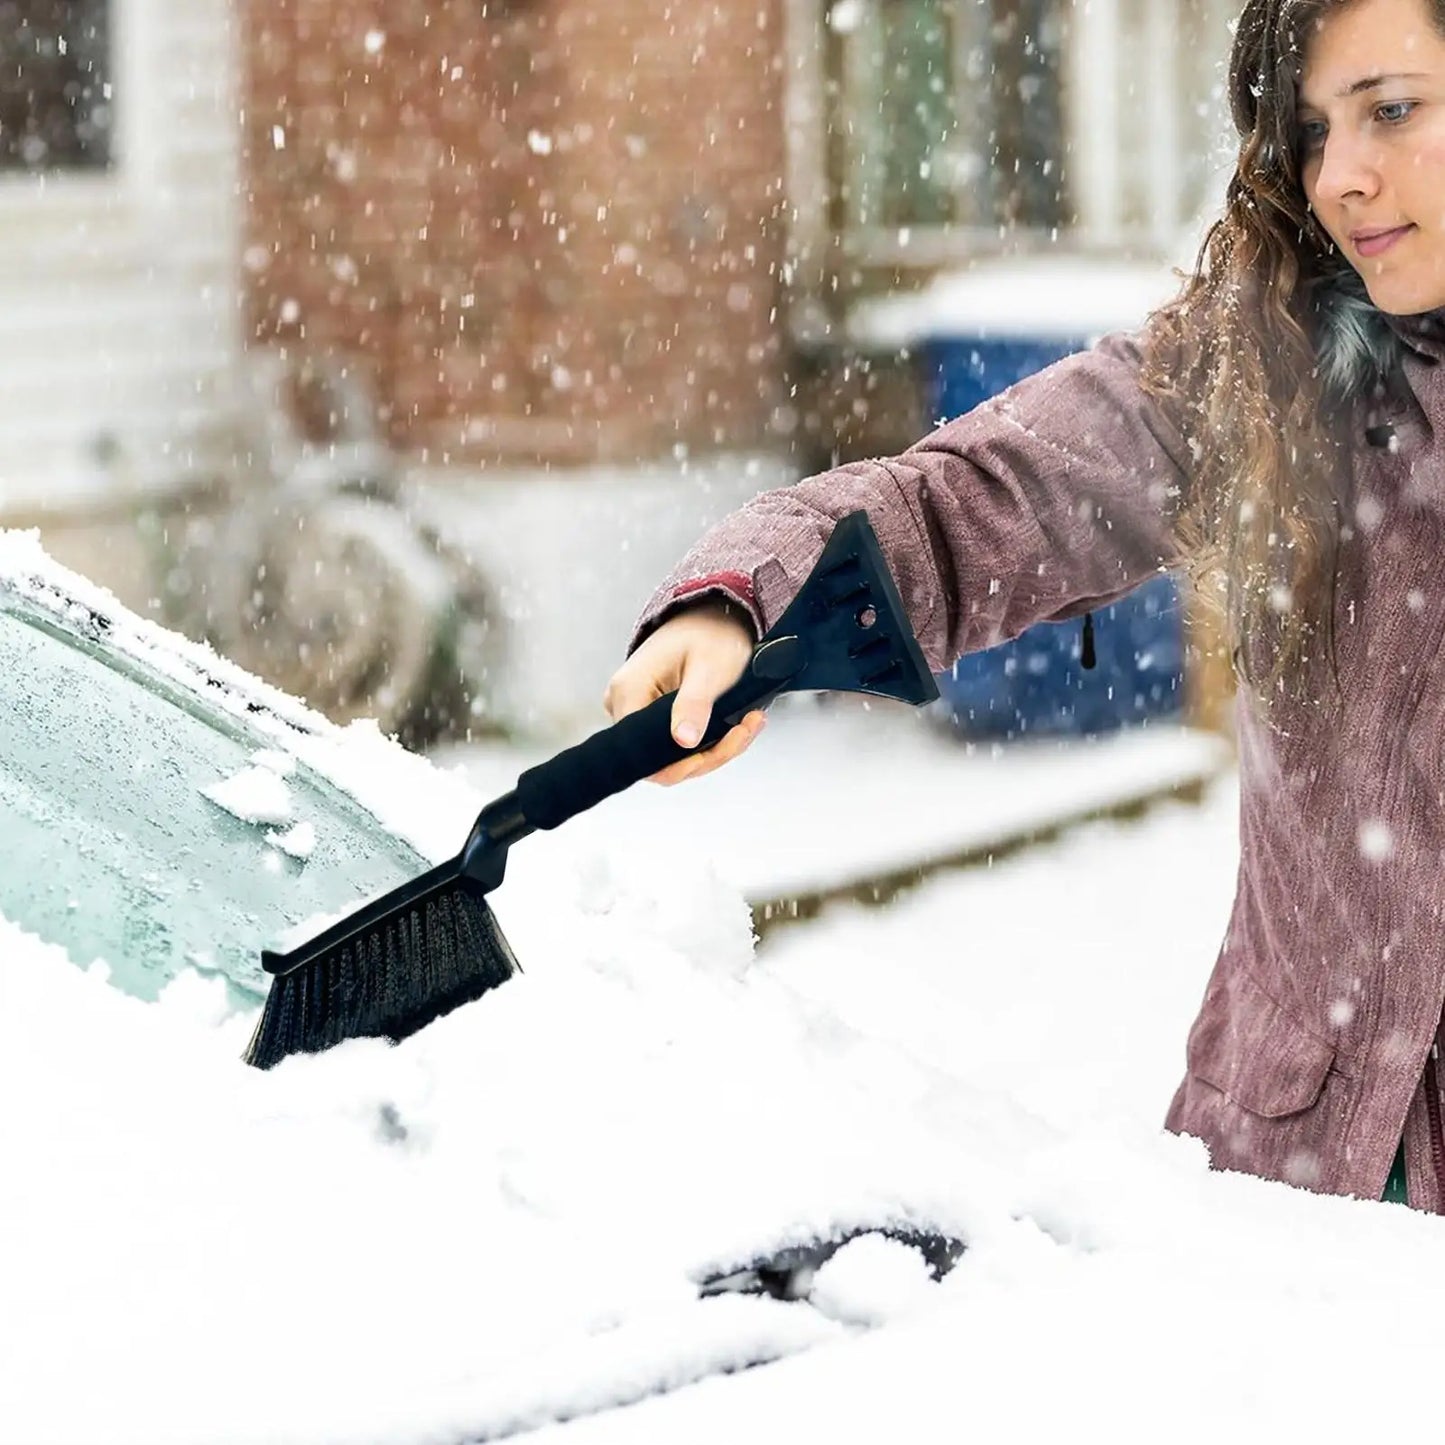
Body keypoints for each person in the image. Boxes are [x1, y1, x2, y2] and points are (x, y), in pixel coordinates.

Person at [603, 0, 1445, 1213]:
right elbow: (973, 497)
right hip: (1283, 1201)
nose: (1341, 179)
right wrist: (740, 602)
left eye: (1391, 110)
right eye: (1310, 132)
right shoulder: (1268, 362)